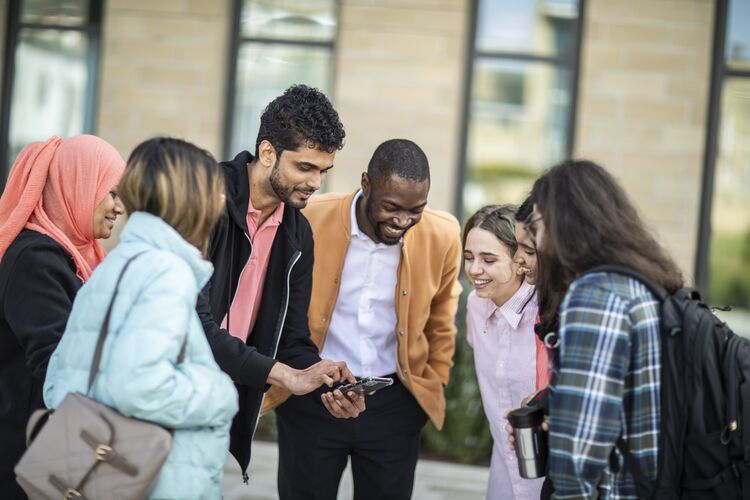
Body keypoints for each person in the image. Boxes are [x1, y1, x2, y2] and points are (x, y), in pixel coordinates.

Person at [262, 138, 463, 500]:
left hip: (395, 405)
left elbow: (443, 319)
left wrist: (434, 382)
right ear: (366, 184)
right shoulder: (309, 217)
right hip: (312, 397)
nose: (403, 220)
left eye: (416, 209)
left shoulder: (444, 234)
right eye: (391, 207)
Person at [44, 137, 239, 499]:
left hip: (97, 476)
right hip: (154, 483)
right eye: (215, 192)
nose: (221, 204)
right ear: (190, 198)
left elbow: (56, 383)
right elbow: (138, 386)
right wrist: (220, 393)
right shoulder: (166, 272)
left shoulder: (113, 265)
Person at [197, 84, 363, 482]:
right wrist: (283, 375)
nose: (315, 183)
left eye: (323, 170)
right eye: (305, 167)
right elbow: (191, 324)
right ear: (268, 152)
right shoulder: (205, 198)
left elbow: (291, 340)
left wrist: (324, 379)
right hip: (168, 391)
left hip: (221, 404)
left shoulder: (297, 232)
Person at [526, 159, 683, 498]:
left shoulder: (596, 294)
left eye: (537, 225)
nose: (536, 241)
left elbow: (579, 445)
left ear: (564, 223)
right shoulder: (642, 282)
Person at [0, 135, 125, 499]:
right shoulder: (34, 259)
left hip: (53, 446)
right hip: (23, 456)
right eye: (112, 192)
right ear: (78, 184)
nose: (119, 207)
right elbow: (56, 359)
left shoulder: (79, 256)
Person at [463, 204, 544, 500]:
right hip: (503, 475)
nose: (474, 270)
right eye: (469, 257)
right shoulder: (475, 304)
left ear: (519, 259)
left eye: (489, 259)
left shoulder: (547, 314)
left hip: (548, 477)